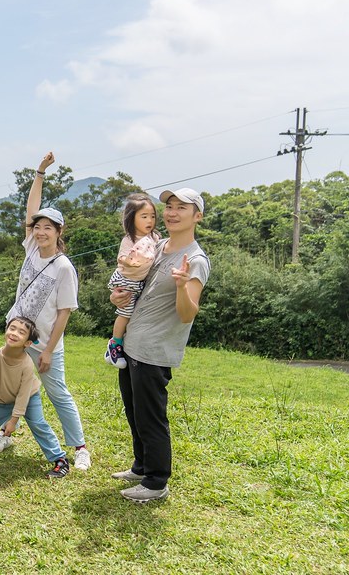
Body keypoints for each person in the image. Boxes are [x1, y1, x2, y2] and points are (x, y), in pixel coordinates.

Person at [111, 188, 210, 503]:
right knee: (135, 412)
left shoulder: (195, 259)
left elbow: (187, 314)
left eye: (182, 207)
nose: (172, 212)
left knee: (151, 417)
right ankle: (141, 467)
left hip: (154, 350)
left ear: (198, 216)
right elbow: (135, 285)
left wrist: (182, 285)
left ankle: (156, 482)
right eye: (169, 206)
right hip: (133, 343)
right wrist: (118, 296)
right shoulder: (157, 245)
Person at [4, 152, 91, 472]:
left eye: (47, 228)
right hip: (17, 335)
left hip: (45, 342)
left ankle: (80, 447)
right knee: (9, 386)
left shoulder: (65, 267)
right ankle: (5, 432)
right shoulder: (30, 247)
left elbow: (65, 313)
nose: (40, 232)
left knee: (57, 392)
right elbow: (30, 209)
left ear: (58, 232)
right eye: (37, 227)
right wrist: (40, 172)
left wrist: (49, 351)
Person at [0, 316, 70, 478]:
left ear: (28, 343)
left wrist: (13, 420)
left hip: (29, 398)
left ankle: (60, 459)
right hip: (3, 399)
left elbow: (23, 396)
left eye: (21, 332)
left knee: (39, 424)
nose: (14, 333)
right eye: (12, 328)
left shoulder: (27, 363)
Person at [105, 193, 161, 368]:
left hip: (138, 283)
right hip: (125, 280)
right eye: (144, 216)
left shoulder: (154, 238)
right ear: (132, 219)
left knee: (134, 312)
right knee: (126, 312)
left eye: (152, 216)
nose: (149, 220)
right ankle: (114, 345)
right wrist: (128, 260)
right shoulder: (129, 240)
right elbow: (122, 258)